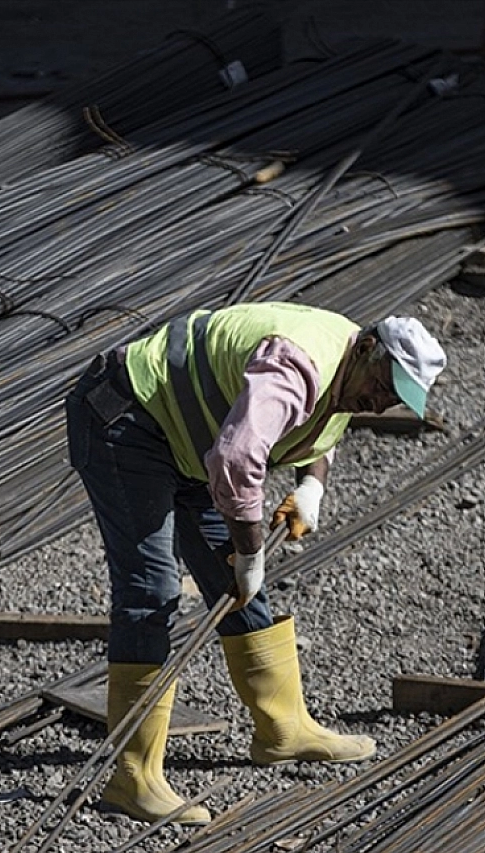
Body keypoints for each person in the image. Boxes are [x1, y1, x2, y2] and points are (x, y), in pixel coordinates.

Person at [64, 301, 447, 824]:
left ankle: (281, 731)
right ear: (366, 348)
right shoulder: (297, 364)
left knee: (237, 583)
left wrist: (311, 486)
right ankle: (132, 778)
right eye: (383, 386)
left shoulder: (349, 369)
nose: (381, 404)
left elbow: (323, 424)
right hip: (127, 419)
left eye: (395, 399)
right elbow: (237, 459)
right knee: (151, 589)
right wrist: (249, 551)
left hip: (189, 439)